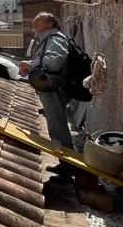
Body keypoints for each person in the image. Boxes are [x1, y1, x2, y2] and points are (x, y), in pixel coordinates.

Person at [19, 12, 82, 174]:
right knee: (56, 126)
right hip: (50, 88)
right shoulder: (47, 39)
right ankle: (66, 164)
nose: (34, 24)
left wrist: (31, 66)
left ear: (50, 24)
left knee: (58, 127)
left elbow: (53, 62)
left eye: (38, 21)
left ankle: (68, 167)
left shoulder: (55, 39)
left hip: (54, 89)